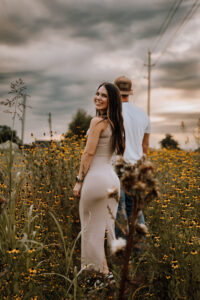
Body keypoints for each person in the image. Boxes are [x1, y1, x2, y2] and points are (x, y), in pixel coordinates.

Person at [73, 82, 125, 279]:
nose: (98, 98)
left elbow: (89, 153)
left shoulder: (97, 122)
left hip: (95, 179)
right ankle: (106, 274)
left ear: (111, 100)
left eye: (104, 95)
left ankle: (98, 275)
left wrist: (79, 180)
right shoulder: (116, 124)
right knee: (103, 228)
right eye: (97, 93)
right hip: (111, 180)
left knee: (90, 230)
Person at [114, 75, 151, 238]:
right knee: (135, 209)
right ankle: (140, 248)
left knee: (117, 210)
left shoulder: (112, 112)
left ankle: (120, 252)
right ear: (130, 92)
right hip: (136, 168)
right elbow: (145, 146)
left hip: (117, 167)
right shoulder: (143, 115)